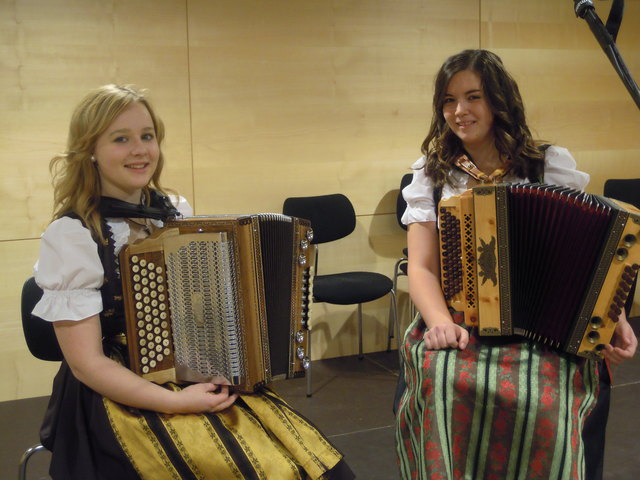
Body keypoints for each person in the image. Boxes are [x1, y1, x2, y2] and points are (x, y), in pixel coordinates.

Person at [32, 84, 354, 480]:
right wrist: (178, 404)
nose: (140, 149)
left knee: (315, 466)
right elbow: (87, 365)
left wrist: (233, 361)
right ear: (90, 152)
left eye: (147, 136)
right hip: (117, 394)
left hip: (190, 369)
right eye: (121, 139)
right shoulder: (72, 236)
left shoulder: (172, 212)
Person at [395, 49, 637, 479]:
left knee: (551, 398)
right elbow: (422, 268)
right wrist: (437, 323)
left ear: (499, 102)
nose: (459, 111)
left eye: (473, 97)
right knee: (443, 381)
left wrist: (612, 316)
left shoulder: (547, 165)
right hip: (458, 317)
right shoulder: (432, 175)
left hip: (543, 329)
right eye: (448, 101)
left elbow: (586, 256)